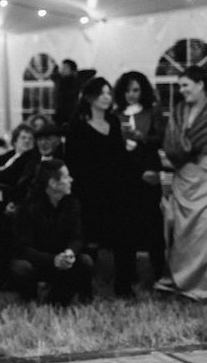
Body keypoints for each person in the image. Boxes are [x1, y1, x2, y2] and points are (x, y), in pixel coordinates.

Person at [65, 77, 136, 298]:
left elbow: (119, 157)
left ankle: (124, 287)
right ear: (90, 97)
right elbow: (73, 162)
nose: (107, 97)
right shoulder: (76, 126)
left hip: (115, 191)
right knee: (88, 241)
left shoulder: (113, 122)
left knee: (124, 239)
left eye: (109, 93)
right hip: (89, 193)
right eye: (102, 93)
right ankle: (82, 287)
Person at [10, 159, 94, 306]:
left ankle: (68, 299)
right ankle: (30, 300)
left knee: (85, 261)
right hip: (37, 261)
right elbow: (22, 248)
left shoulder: (72, 203)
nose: (71, 180)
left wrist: (69, 252)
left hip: (62, 260)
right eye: (66, 177)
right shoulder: (27, 207)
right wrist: (52, 260)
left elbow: (77, 237)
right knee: (21, 268)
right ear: (53, 183)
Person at [156, 66, 207, 300]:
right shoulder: (178, 111)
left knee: (201, 232)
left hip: (204, 178)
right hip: (182, 176)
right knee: (179, 231)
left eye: (186, 85)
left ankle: (200, 285)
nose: (182, 90)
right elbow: (171, 142)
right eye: (180, 86)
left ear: (200, 84)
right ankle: (178, 279)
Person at [113, 71, 166, 281]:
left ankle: (159, 271)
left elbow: (162, 139)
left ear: (143, 90)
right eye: (127, 90)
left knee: (153, 223)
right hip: (125, 176)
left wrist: (141, 137)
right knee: (126, 225)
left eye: (135, 90)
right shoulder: (116, 113)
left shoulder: (152, 112)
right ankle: (128, 273)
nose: (131, 94)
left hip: (148, 173)